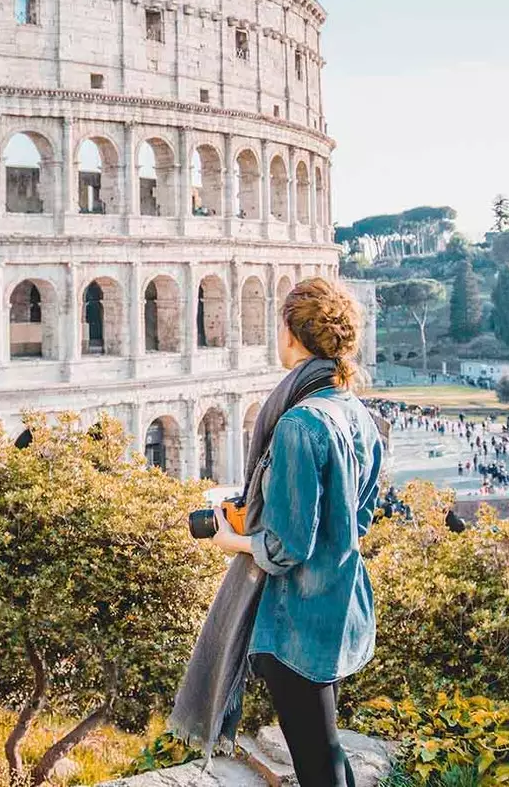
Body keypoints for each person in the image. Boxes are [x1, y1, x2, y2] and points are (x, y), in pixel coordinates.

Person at [176, 276, 384, 787]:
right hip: (340, 599)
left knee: (315, 757)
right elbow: (361, 515)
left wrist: (234, 540)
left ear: (293, 332)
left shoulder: (298, 424)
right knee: (325, 749)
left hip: (294, 616)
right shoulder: (355, 412)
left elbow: (286, 547)